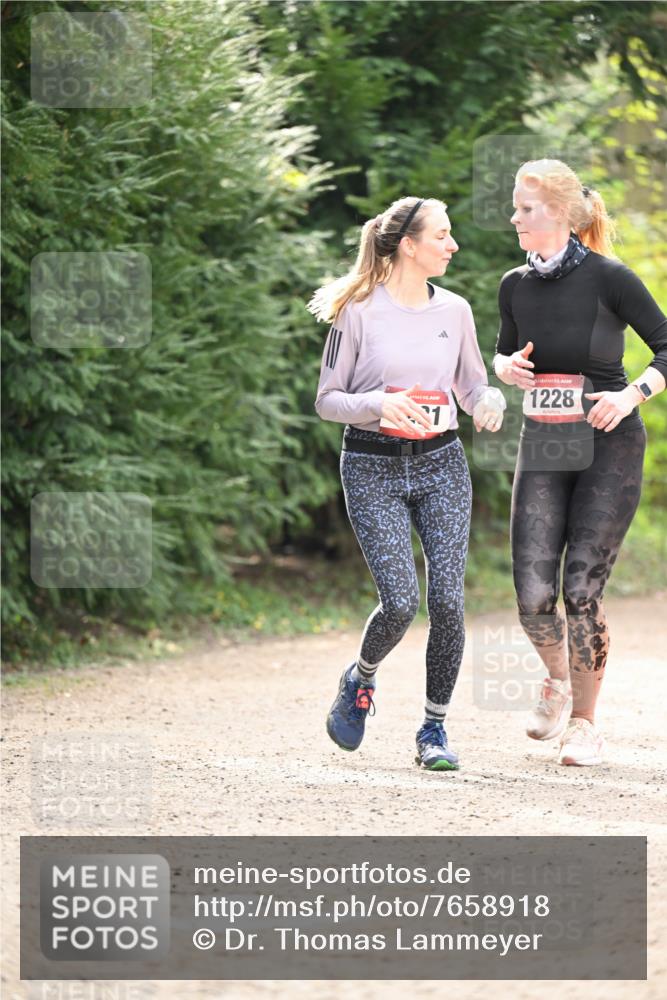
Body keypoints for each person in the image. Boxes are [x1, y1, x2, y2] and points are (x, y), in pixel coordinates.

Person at [307, 196, 505, 771]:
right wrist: (380, 404)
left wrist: (488, 399)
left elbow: (472, 388)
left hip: (442, 464)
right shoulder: (358, 312)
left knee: (447, 602)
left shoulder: (457, 312)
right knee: (398, 603)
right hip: (371, 465)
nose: (453, 245)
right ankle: (359, 680)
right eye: (442, 236)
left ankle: (434, 731)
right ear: (408, 246)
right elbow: (327, 401)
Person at [493, 158, 667, 766]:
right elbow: (505, 353)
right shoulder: (513, 283)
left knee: (579, 591)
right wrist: (505, 368)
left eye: (525, 208)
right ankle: (558, 679)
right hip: (546, 439)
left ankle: (586, 726)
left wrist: (629, 395)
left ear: (561, 215)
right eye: (516, 207)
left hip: (607, 440)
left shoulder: (610, 277)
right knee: (532, 595)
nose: (515, 217)